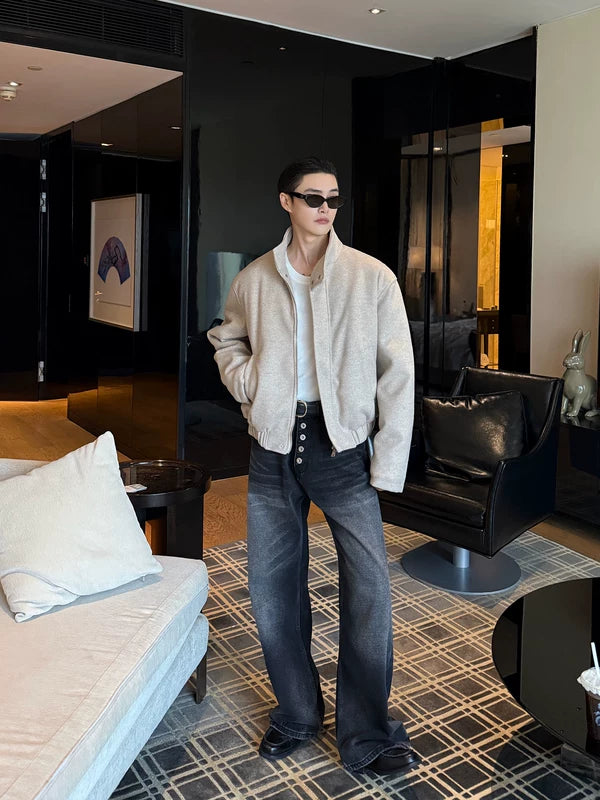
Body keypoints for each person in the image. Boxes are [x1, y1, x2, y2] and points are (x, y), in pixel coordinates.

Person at [207, 157, 418, 776]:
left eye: (333, 198)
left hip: (341, 446)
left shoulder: (371, 277)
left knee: (369, 589)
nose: (325, 209)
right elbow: (226, 338)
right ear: (286, 202)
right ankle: (297, 713)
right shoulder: (254, 279)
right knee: (272, 588)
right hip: (273, 445)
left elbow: (397, 374)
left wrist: (389, 459)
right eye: (312, 198)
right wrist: (249, 383)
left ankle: (368, 731)